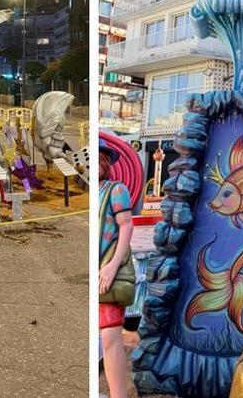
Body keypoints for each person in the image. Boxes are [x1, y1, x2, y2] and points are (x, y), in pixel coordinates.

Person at [99, 138, 134, 398]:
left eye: (103, 157)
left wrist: (113, 265)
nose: (98, 162)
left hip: (107, 272)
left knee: (111, 337)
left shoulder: (116, 190)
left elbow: (126, 226)